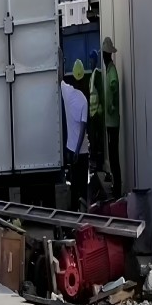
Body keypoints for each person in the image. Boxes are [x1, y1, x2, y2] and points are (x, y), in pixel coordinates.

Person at [61, 59, 89, 210]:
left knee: (73, 185)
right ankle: (84, 217)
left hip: (70, 149)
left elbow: (59, 78)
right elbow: (83, 127)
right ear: (83, 77)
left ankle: (72, 217)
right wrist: (78, 150)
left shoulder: (67, 92)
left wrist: (60, 56)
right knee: (83, 188)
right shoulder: (84, 101)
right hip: (81, 151)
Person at [102, 36, 121, 196]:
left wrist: (112, 104)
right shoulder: (108, 70)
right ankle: (116, 184)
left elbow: (114, 84)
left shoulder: (111, 70)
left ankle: (118, 188)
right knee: (113, 155)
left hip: (113, 122)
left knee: (114, 156)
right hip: (110, 122)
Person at [87, 49, 104, 171]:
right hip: (93, 113)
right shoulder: (91, 76)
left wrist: (99, 110)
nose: (90, 62)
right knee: (93, 140)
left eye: (92, 60)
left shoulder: (97, 75)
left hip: (97, 113)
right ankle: (95, 163)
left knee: (97, 141)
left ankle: (99, 165)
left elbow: (101, 94)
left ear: (95, 61)